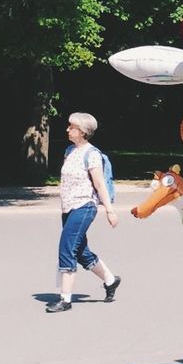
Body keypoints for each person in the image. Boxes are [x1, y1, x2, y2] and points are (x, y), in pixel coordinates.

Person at [47, 112, 120, 313]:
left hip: (84, 206)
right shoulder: (69, 151)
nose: (68, 129)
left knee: (66, 248)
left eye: (72, 127)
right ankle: (110, 280)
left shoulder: (92, 154)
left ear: (83, 132)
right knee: (80, 251)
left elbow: (99, 183)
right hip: (68, 207)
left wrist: (110, 211)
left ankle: (65, 299)